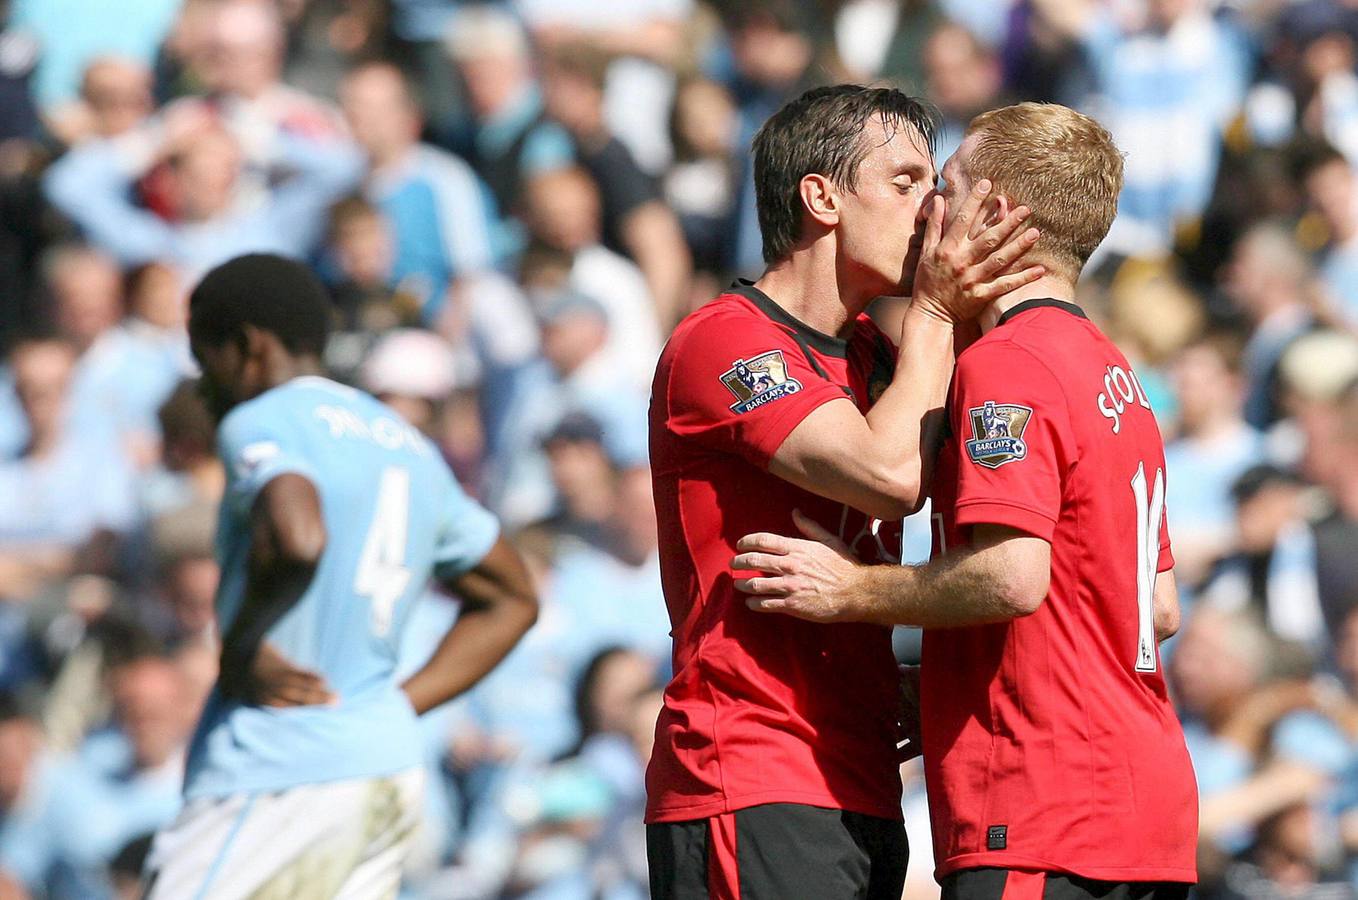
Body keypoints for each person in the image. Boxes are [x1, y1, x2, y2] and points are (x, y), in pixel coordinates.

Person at [732, 103, 1199, 896]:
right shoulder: (1114, 371)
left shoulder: (1006, 365)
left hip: (1040, 807)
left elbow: (1015, 576)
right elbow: (1156, 608)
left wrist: (852, 590)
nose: (925, 213)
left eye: (940, 186)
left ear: (992, 213)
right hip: (1146, 807)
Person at [647, 84, 1042, 900]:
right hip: (750, 769)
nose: (933, 209)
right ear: (821, 197)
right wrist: (936, 307)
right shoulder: (722, 341)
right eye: (904, 182)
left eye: (935, 184)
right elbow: (891, 478)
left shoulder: (875, 354)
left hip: (861, 776)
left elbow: (978, 495)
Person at [141, 254, 539, 898]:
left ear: (247, 347)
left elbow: (298, 536)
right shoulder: (406, 442)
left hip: (276, 770)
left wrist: (241, 648)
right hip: (383, 770)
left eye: (203, 356)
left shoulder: (262, 418)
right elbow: (513, 597)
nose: (202, 384)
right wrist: (393, 709)